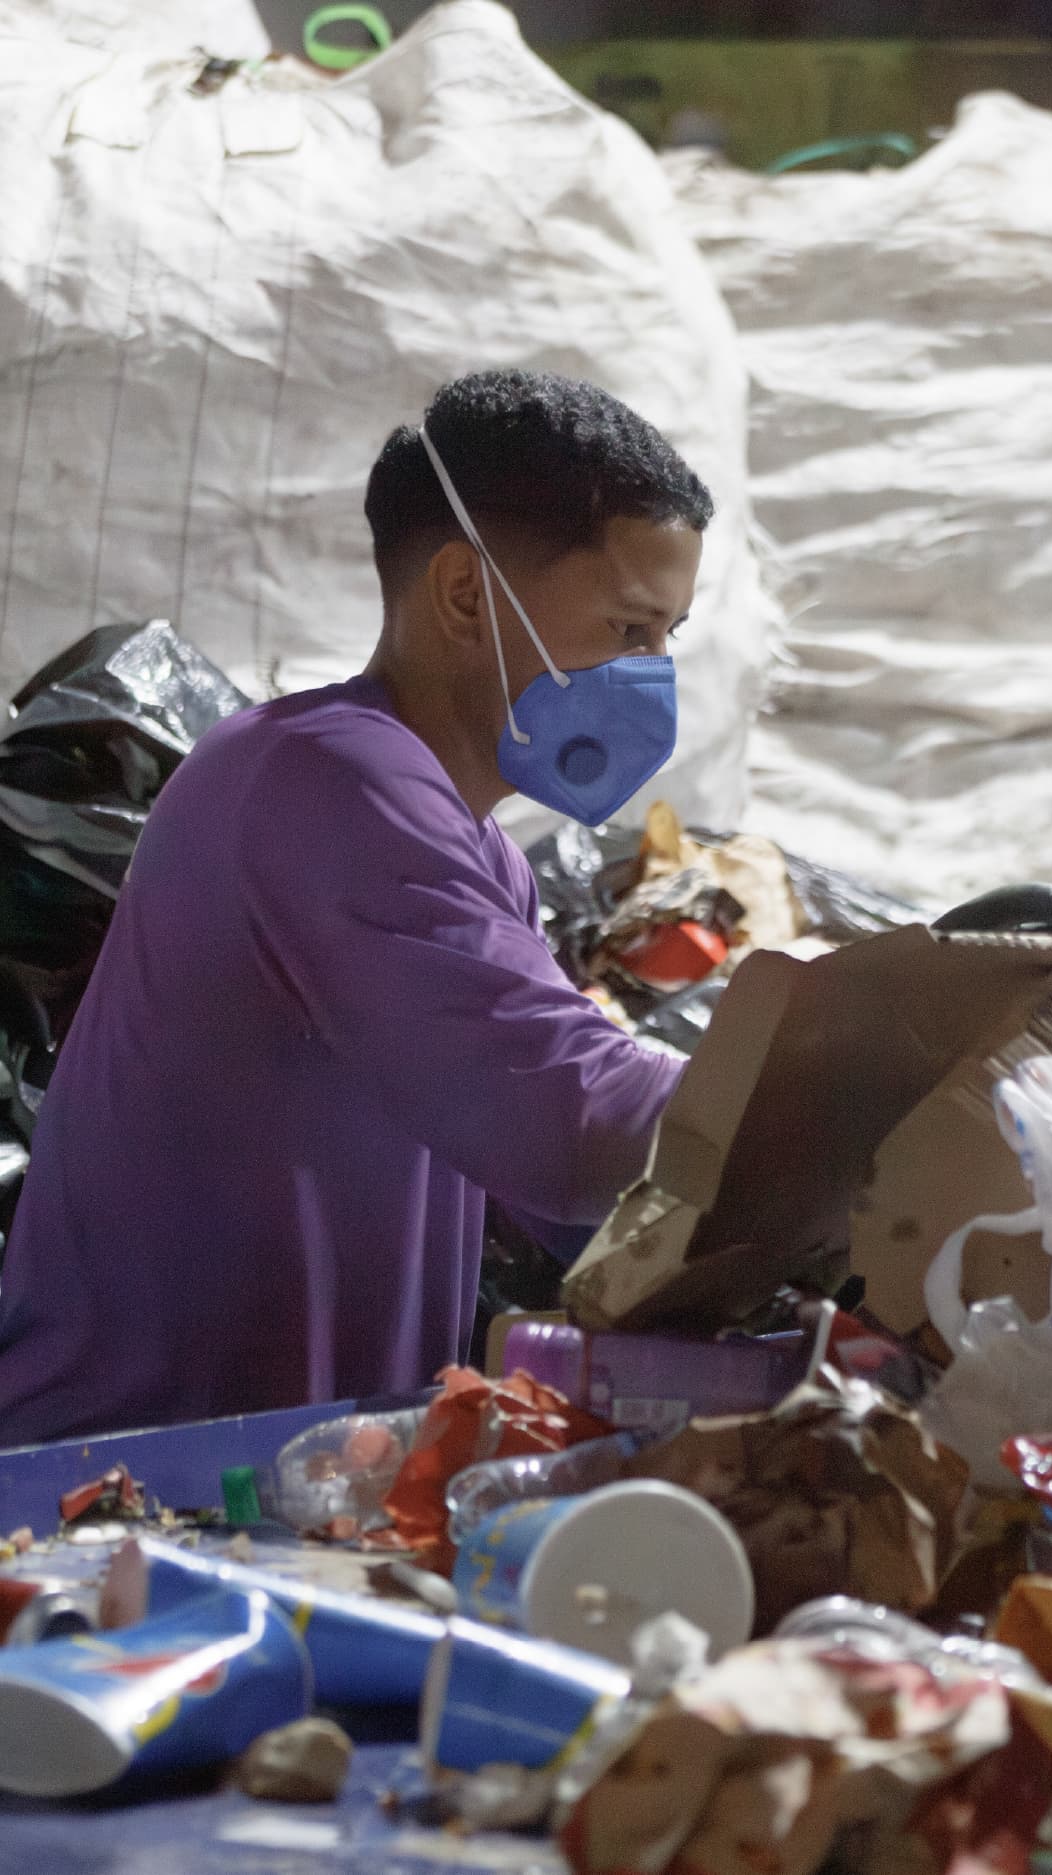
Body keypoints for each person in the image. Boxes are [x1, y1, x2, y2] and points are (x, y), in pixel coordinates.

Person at [0, 370, 713, 1441]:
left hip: (266, 1465)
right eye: (627, 627)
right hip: (115, 1481)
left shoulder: (470, 845)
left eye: (668, 636)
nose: (652, 674)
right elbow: (566, 1117)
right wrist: (838, 1098)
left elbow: (549, 1186)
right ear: (466, 594)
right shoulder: (331, 783)